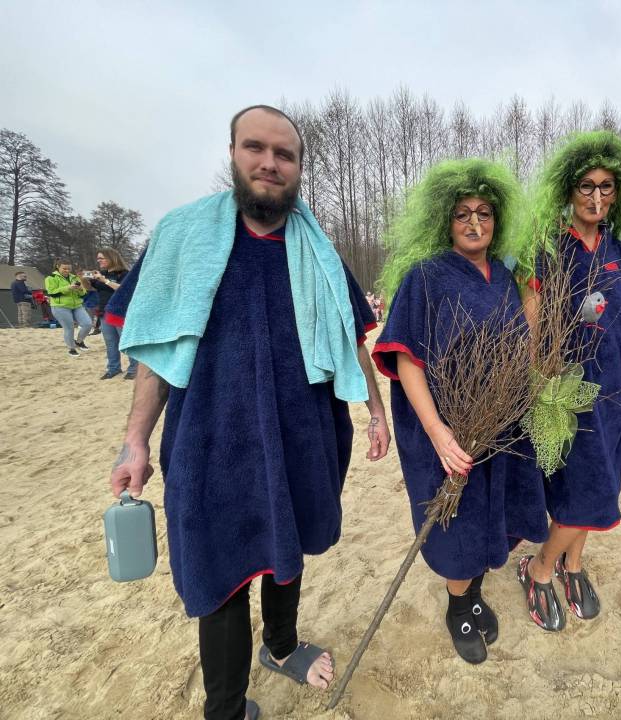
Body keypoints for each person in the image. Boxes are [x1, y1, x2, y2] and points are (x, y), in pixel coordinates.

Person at [106, 105, 390, 720]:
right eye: (255, 148)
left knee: (288, 545)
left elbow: (352, 338)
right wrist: (136, 441)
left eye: (284, 154)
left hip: (303, 433)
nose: (269, 163)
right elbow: (156, 350)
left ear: (299, 168)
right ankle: (227, 708)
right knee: (221, 571)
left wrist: (375, 410)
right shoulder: (182, 237)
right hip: (211, 440)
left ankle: (282, 646)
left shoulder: (319, 251)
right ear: (233, 153)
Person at [371, 158, 547, 664]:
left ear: (497, 219)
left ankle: (473, 595)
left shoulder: (504, 279)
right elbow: (406, 358)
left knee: (492, 516)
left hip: (498, 426)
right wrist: (438, 432)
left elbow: (521, 346)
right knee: (456, 524)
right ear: (444, 221)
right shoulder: (426, 277)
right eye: (462, 214)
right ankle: (458, 607)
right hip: (447, 429)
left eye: (484, 213)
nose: (474, 223)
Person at [510, 130, 621, 631]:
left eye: (606, 187)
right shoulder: (546, 247)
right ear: (568, 190)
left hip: (615, 387)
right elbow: (530, 321)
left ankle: (573, 562)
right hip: (567, 389)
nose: (596, 197)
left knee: (607, 474)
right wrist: (535, 381)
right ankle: (539, 567)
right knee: (585, 486)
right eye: (586, 186)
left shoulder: (618, 248)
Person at [89, 248, 139, 379]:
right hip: (104, 312)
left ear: (111, 258)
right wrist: (82, 278)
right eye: (98, 258)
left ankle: (134, 369)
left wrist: (105, 281)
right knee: (110, 342)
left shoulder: (125, 273)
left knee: (126, 341)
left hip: (120, 311)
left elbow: (124, 289)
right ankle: (113, 369)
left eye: (101, 258)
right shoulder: (101, 274)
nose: (98, 261)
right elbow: (88, 288)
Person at [44, 261, 93, 357]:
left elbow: (83, 294)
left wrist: (80, 289)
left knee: (88, 324)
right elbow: (52, 293)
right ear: (58, 267)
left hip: (77, 306)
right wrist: (69, 287)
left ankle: (79, 342)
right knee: (69, 328)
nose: (67, 270)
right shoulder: (51, 278)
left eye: (69, 268)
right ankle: (71, 348)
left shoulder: (74, 277)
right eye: (64, 268)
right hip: (60, 306)